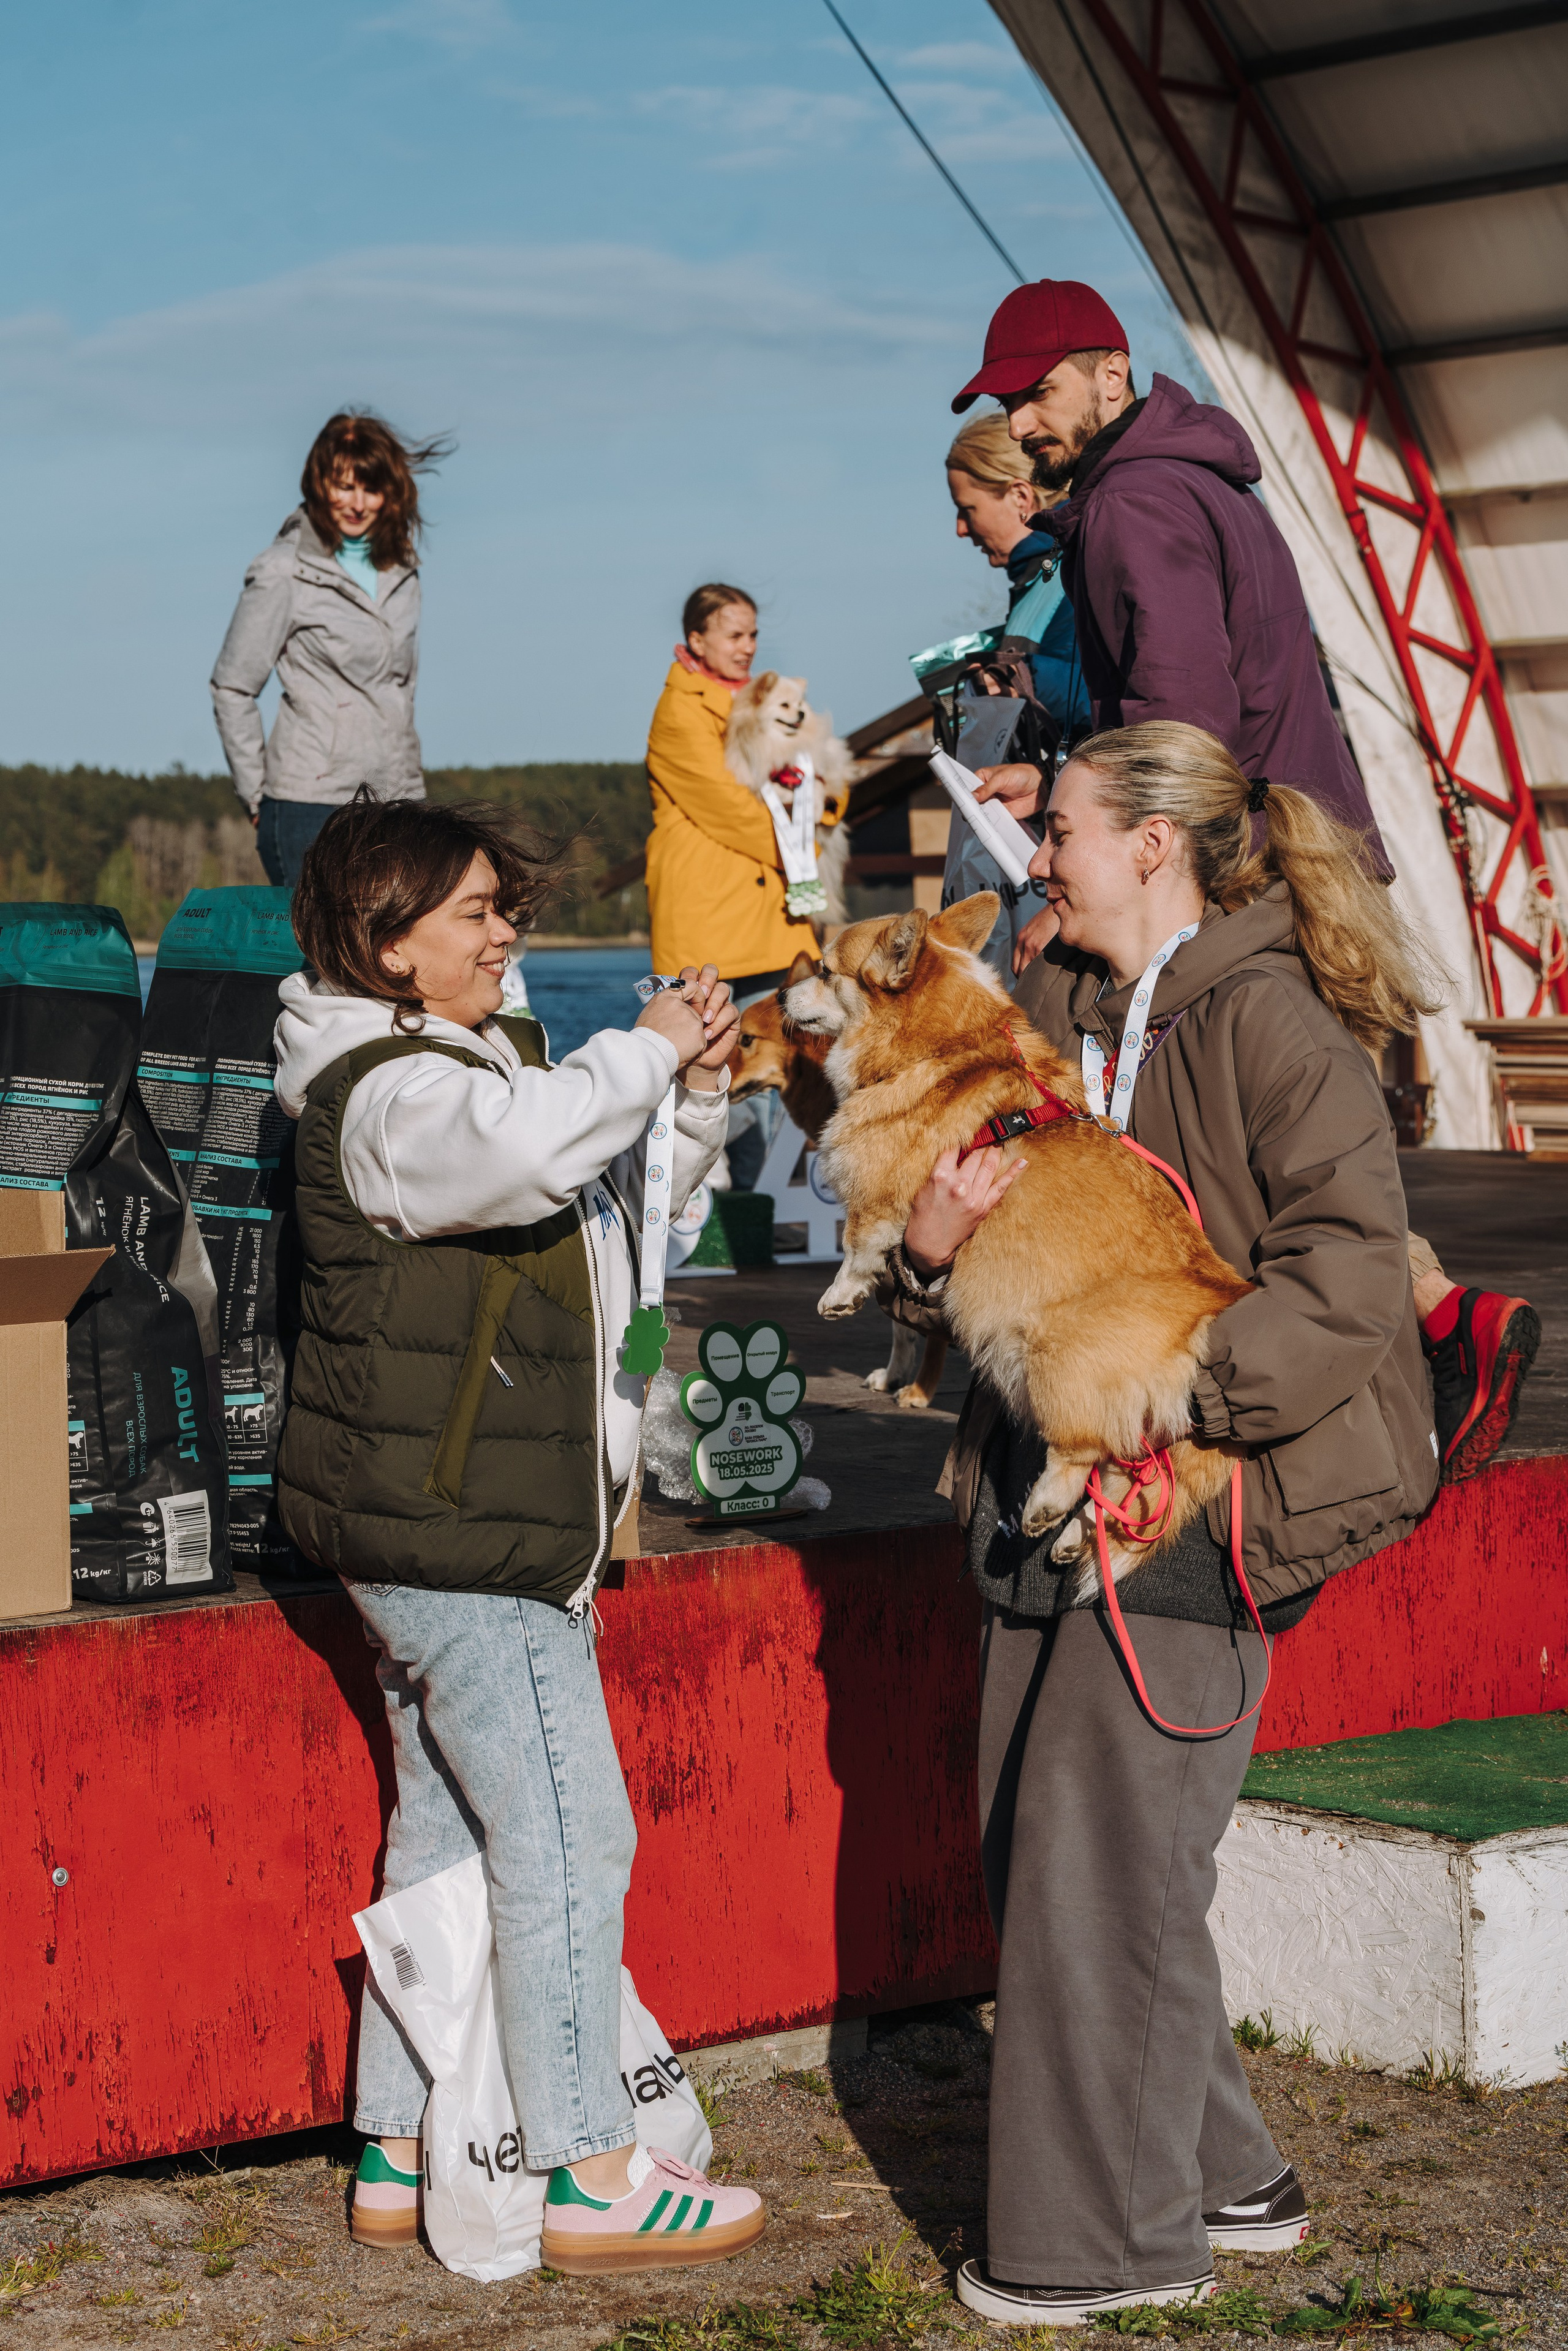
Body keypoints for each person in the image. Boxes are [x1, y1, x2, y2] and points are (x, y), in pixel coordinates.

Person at [886, 722, 1445, 2324]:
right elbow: (1015, 1252)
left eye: (1055, 823)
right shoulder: (1067, 1009)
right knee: (1062, 1845)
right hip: (1040, 1488)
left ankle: (1109, 2245)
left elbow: (1349, 1276)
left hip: (1197, 1496)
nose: (1032, 850)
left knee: (1094, 1869)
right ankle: (1227, 2169)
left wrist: (1179, 1391)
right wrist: (928, 1253)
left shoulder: (1271, 1022)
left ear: (1152, 842)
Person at [271, 794, 764, 2271]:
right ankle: (584, 2169)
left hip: (444, 1523)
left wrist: (684, 1102)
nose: (507, 935)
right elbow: (521, 1153)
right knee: (566, 1829)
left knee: (443, 1836)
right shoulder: (388, 1094)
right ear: (390, 942)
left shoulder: (456, 1069)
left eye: (508, 910)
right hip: (458, 1534)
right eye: (479, 912)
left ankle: (402, 2139)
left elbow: (605, 1225)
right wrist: (645, 1051)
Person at [952, 281, 1538, 1482]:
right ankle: (1440, 1326)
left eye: (1038, 390)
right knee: (1283, 1154)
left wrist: (1075, 886)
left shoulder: (1133, 504)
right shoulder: (1180, 485)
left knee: (1216, 1149)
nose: (1021, 422)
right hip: (1282, 846)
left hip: (1234, 865)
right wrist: (1055, 757)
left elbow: (1182, 729)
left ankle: (1416, 1342)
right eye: (1006, 402)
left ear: (1110, 371)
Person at [212, 412, 447, 888]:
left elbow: (404, 687)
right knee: (317, 961)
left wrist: (410, 787)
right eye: (344, 486)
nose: (358, 504)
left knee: (392, 956)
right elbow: (232, 687)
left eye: (371, 488)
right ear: (318, 483)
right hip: (308, 806)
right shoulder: (283, 571)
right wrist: (257, 796)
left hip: (397, 803)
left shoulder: (403, 570)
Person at [941, 411, 1091, 980]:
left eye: (968, 509)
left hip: (1072, 850)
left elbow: (1109, 707)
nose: (961, 528)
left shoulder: (1069, 576)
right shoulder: (1037, 582)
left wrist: (1020, 680)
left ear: (1021, 496)